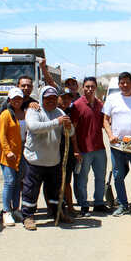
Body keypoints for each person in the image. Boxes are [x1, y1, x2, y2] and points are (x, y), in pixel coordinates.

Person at [21, 86, 74, 230]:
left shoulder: (60, 112)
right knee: (30, 190)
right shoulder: (34, 110)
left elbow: (69, 133)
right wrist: (57, 122)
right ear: (42, 98)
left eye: (53, 98)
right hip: (34, 160)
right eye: (47, 98)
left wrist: (69, 126)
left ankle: (57, 212)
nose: (50, 101)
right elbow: (33, 127)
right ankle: (28, 216)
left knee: (55, 190)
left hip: (53, 161)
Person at [103, 72, 131, 217]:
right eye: (121, 82)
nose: (124, 85)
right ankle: (123, 204)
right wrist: (110, 135)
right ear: (119, 84)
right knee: (118, 175)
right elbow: (105, 120)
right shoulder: (111, 99)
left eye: (127, 82)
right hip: (117, 145)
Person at [71, 77, 110, 216]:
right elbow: (72, 130)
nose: (89, 89)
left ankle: (99, 202)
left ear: (96, 88)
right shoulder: (77, 105)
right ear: (83, 88)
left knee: (100, 177)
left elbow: (105, 123)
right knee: (82, 179)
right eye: (87, 86)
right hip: (84, 150)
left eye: (92, 86)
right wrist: (76, 149)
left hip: (99, 148)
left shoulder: (100, 104)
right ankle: (84, 204)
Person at [0, 87, 27, 227]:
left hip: (22, 154)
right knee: (9, 182)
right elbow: (2, 135)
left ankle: (16, 209)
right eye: (14, 98)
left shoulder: (25, 113)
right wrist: (7, 150)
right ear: (9, 100)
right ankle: (6, 211)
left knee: (18, 182)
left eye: (19, 98)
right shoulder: (5, 114)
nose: (17, 101)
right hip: (9, 155)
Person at [56, 87, 80, 218]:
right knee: (55, 181)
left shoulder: (71, 112)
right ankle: (55, 208)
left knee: (66, 181)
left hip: (68, 150)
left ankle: (70, 207)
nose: (65, 100)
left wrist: (76, 150)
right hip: (54, 150)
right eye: (63, 97)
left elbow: (73, 134)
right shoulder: (53, 111)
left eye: (68, 98)